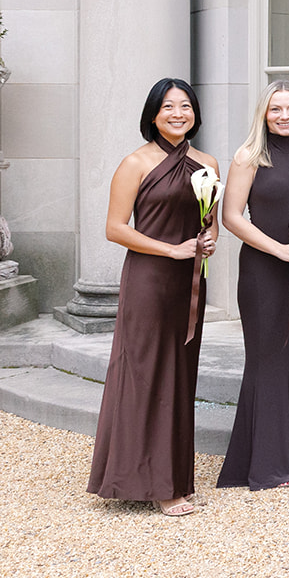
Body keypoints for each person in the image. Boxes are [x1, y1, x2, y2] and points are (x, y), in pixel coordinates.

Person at [87, 79, 219, 516]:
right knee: (145, 373)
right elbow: (115, 227)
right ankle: (150, 482)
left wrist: (208, 240)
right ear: (153, 114)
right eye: (168, 106)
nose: (178, 113)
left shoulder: (207, 163)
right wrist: (171, 249)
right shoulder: (135, 162)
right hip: (148, 279)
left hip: (190, 284)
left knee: (180, 376)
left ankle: (172, 475)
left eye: (185, 106)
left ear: (195, 113)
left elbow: (210, 222)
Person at [218, 81, 289, 490]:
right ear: (263, 115)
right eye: (275, 110)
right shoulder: (248, 157)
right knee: (267, 358)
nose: (284, 116)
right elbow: (232, 217)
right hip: (263, 273)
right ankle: (266, 463)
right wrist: (281, 251)